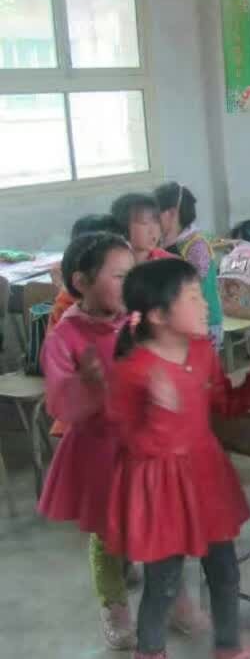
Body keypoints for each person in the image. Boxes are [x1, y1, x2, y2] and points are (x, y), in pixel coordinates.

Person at [104, 258, 250, 659]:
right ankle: (150, 651)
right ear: (158, 315)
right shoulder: (132, 371)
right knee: (163, 582)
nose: (206, 305)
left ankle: (229, 648)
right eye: (193, 298)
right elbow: (128, 444)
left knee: (225, 572)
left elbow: (227, 404)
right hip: (160, 488)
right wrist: (158, 412)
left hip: (205, 477)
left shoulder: (202, 351)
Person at [37, 232, 137, 649]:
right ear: (82, 282)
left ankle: (167, 592)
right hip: (98, 450)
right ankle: (114, 604)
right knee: (107, 529)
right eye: (119, 276)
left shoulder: (135, 319)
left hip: (143, 442)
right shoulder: (66, 335)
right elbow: (60, 399)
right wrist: (89, 384)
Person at [155, 183, 224, 347]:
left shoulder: (196, 245)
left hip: (204, 322)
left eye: (155, 215)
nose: (153, 221)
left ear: (171, 213)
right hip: (185, 319)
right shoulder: (168, 242)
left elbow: (192, 285)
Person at [110, 193, 174, 264]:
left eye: (156, 222)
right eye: (144, 223)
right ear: (124, 226)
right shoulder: (112, 261)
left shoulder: (169, 261)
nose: (153, 230)